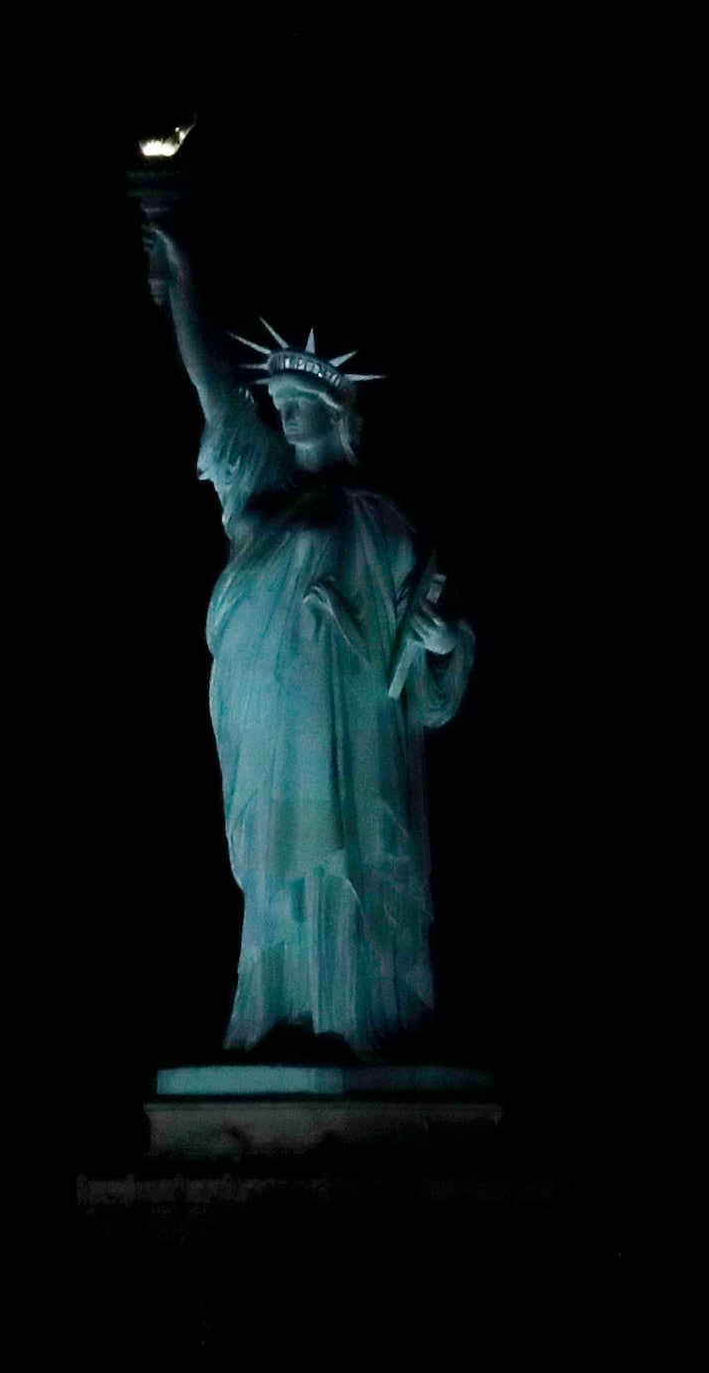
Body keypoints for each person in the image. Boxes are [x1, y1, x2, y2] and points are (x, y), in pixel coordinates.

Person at [144, 218, 472, 1054]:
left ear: (339, 413)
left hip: (352, 727)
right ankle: (280, 1011)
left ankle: (360, 1017)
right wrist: (183, 285)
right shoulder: (261, 495)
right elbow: (216, 395)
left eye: (302, 405)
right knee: (277, 871)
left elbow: (424, 674)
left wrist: (442, 647)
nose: (286, 418)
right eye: (280, 405)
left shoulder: (380, 520)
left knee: (348, 860)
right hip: (268, 722)